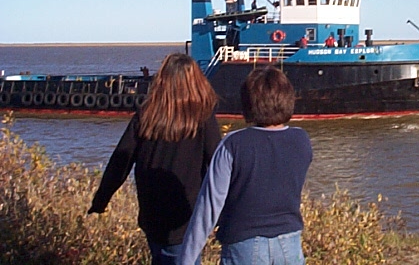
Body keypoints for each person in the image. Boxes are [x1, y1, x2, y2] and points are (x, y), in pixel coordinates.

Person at [89, 53, 221, 265]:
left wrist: (101, 199)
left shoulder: (146, 115)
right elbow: (217, 165)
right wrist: (223, 214)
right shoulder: (203, 117)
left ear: (162, 81)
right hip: (186, 217)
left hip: (152, 216)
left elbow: (120, 161)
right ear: (197, 81)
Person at [179, 67, 313, 265]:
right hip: (290, 242)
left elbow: (209, 207)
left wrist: (186, 259)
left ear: (248, 104)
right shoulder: (302, 139)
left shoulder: (233, 144)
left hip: (244, 246)